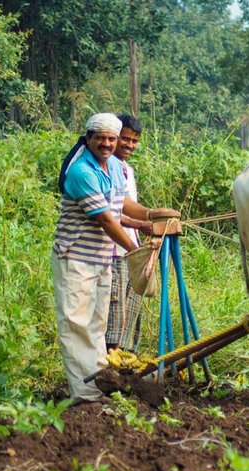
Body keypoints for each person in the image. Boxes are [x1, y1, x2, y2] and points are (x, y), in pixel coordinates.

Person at [51, 113, 169, 404]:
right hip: (76, 258)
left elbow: (120, 204)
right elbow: (105, 219)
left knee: (96, 326)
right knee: (76, 324)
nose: (106, 143)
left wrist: (150, 217)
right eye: (100, 137)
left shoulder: (115, 166)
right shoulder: (81, 171)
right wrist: (135, 249)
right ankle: (84, 393)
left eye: (111, 139)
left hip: (102, 259)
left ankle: (98, 386)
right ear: (88, 138)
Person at [106, 114, 148, 353]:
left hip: (132, 247)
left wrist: (149, 221)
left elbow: (128, 203)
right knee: (115, 308)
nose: (129, 145)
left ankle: (126, 360)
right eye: (125, 139)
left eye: (134, 141)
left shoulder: (127, 169)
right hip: (116, 249)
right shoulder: (106, 166)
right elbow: (113, 209)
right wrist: (148, 218)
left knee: (132, 306)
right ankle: (111, 363)